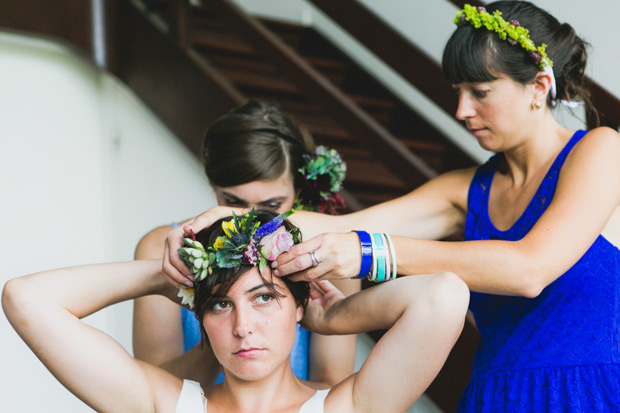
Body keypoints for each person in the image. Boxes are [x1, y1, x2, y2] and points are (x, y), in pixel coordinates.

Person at [163, 2, 620, 410]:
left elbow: (529, 269)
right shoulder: (464, 189)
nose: (461, 110)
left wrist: (369, 250)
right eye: (457, 91)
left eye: (480, 91)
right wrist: (237, 220)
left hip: (593, 393)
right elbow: (344, 225)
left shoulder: (600, 151)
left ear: (539, 85)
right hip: (493, 398)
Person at [2, 209, 469, 412]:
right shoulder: (162, 404)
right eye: (221, 305)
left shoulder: (347, 407)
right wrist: (163, 278)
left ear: (299, 305)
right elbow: (25, 298)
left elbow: (444, 295)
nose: (243, 327)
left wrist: (333, 319)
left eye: (265, 297)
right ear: (200, 316)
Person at [133, 100, 358, 387]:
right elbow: (152, 389)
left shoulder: (332, 255)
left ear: (297, 188)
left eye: (272, 204)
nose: (250, 220)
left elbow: (331, 385)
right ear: (212, 184)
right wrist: (226, 331)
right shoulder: (160, 246)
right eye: (232, 203)